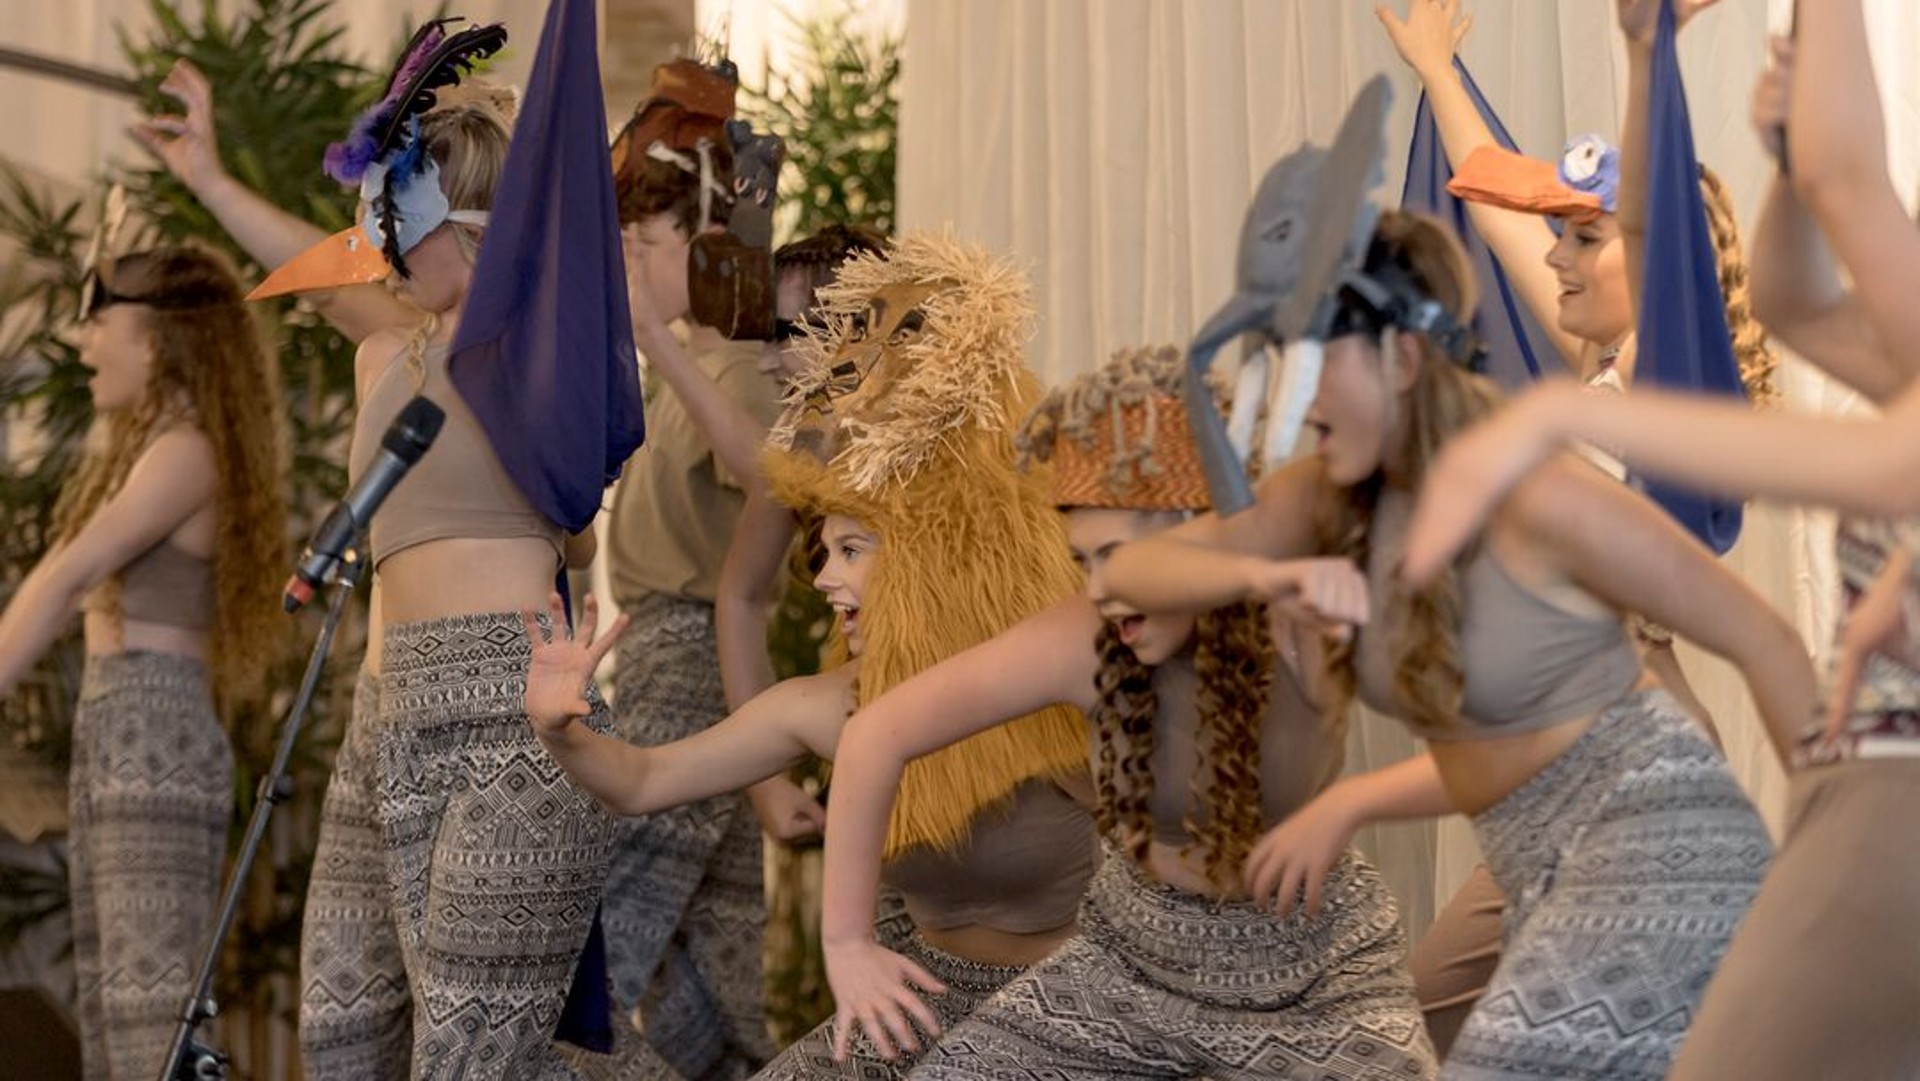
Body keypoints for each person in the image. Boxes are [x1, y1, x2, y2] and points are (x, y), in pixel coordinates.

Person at [1102, 203, 1812, 1078]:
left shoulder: (1538, 493)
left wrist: (1830, 856)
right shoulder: (1319, 495)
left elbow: (1766, 639)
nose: (1293, 397)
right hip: (1534, 856)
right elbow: (1133, 571)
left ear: (1402, 359)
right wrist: (1265, 577)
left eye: (1318, 362)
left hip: (1655, 835)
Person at [1396, 5, 1920, 1074]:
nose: (1560, 256)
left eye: (1588, 239)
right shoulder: (1619, 365)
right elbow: (1801, 248)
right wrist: (1451, 70)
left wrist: (1558, 423)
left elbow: (1823, 192)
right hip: (1786, 789)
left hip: (1693, 769)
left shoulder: (1655, 375)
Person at [525, 232, 1097, 1080]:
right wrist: (563, 727)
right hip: (914, 1001)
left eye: (854, 551)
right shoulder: (830, 703)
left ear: (933, 554)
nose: (824, 575)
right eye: (824, 551)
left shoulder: (1064, 671)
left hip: (1073, 1011)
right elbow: (641, 780)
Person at [815, 345, 1437, 1079]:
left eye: (1117, 555)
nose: (1105, 588)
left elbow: (1493, 746)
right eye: (1086, 562)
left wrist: (1353, 804)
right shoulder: (1078, 639)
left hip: (1317, 968)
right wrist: (845, 942)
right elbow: (875, 735)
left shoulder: (1304, 625)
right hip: (1132, 966)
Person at [0, 245, 288, 1078]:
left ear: (157, 339)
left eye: (101, 321)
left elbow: (70, 574)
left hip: (152, 738)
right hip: (118, 728)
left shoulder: (187, 450)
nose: (84, 340)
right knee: (111, 1016)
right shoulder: (145, 442)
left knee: (148, 1027)